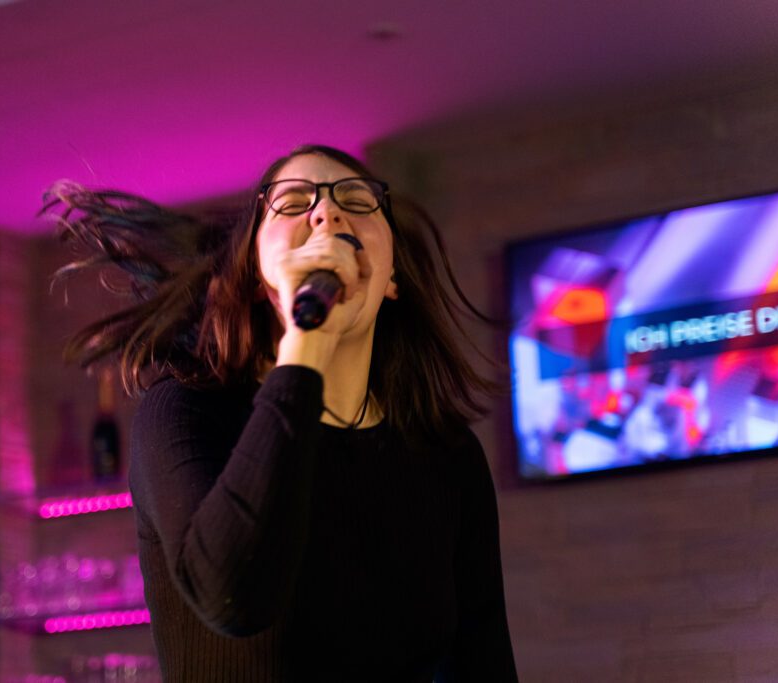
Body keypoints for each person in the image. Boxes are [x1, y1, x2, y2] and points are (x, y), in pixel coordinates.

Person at [45, 144, 519, 682]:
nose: (327, 212)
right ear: (251, 275)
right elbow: (233, 597)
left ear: (391, 280)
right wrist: (308, 337)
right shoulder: (186, 412)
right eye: (294, 202)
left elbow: (485, 665)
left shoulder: (445, 455)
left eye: (358, 200)